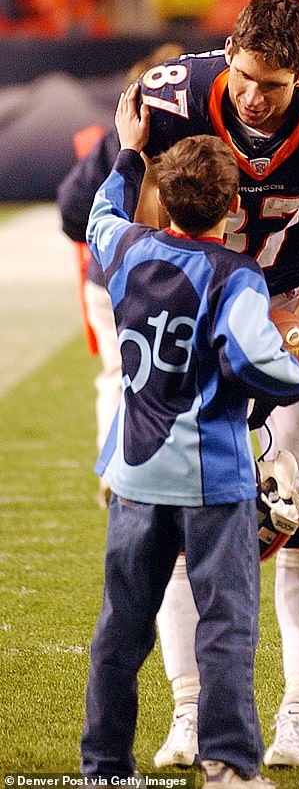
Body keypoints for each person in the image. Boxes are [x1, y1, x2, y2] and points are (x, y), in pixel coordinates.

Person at [135, 0, 299, 770]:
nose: (253, 97)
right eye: (245, 77)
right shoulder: (177, 99)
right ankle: (188, 712)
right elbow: (147, 236)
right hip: (201, 327)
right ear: (229, 53)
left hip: (290, 318)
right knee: (183, 529)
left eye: (273, 87)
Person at [80, 82, 299, 788]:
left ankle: (104, 767)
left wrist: (128, 151)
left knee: (121, 630)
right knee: (226, 626)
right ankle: (230, 764)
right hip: (211, 479)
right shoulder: (235, 274)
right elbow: (252, 358)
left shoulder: (122, 248)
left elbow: (101, 212)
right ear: (232, 206)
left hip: (133, 475)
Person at [58, 42, 185, 510]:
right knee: (168, 371)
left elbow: (71, 207)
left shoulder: (118, 140)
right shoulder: (190, 137)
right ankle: (152, 467)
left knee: (120, 373)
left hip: (111, 274)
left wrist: (106, 238)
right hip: (169, 275)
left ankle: (117, 470)